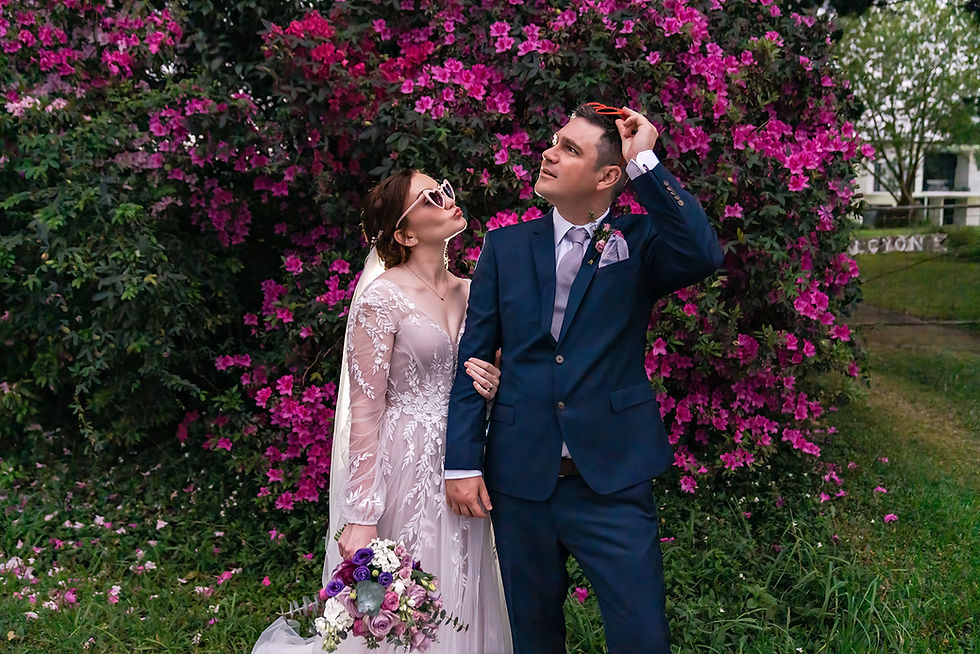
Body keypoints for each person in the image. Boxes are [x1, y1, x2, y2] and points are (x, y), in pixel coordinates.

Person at [444, 103, 725, 654]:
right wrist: (462, 461)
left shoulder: (640, 242)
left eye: (570, 149)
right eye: (554, 141)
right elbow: (473, 358)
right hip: (520, 477)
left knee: (643, 637)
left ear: (607, 177)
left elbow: (702, 253)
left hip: (613, 478)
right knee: (534, 634)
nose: (549, 152)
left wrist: (645, 159)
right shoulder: (506, 247)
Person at [252, 170, 512, 653]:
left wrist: (492, 384)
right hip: (403, 464)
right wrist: (361, 514)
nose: (447, 199)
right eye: (431, 198)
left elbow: (482, 375)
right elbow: (365, 413)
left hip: (463, 456)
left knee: (462, 580)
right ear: (406, 233)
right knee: (401, 599)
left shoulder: (475, 291)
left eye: (446, 189)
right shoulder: (381, 299)